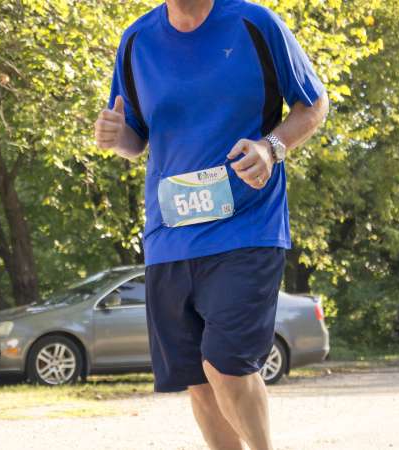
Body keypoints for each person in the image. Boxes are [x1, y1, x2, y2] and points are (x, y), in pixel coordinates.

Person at [95, 0, 329, 448]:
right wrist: (114, 136)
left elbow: (314, 102)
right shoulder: (136, 41)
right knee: (197, 382)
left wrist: (272, 147)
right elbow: (134, 137)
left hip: (247, 226)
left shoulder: (254, 24)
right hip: (170, 237)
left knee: (227, 364)